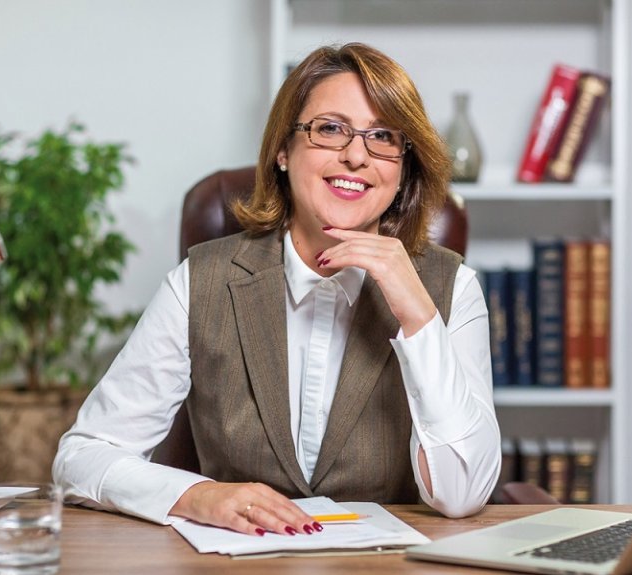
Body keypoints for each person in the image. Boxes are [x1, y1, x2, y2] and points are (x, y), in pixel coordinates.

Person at [53, 42, 500, 538]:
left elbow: (462, 497)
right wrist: (196, 496)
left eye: (382, 136)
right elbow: (82, 456)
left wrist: (419, 318)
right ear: (283, 151)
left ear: (402, 168)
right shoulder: (201, 280)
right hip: (234, 562)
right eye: (330, 129)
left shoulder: (452, 288)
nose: (356, 156)